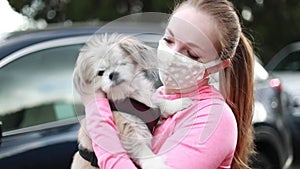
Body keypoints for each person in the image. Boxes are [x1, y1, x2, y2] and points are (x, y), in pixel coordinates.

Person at [80, 0, 255, 168]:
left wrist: (102, 132)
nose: (172, 55)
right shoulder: (155, 97)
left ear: (218, 65)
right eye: (168, 40)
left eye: (191, 54)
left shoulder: (214, 119)